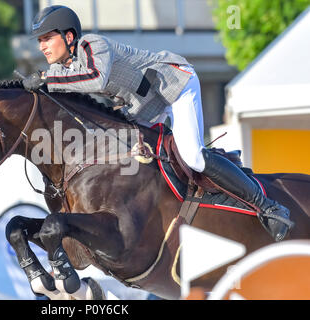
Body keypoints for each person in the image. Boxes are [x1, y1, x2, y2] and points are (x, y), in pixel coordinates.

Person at [22, 5, 294, 241]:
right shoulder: (60, 69)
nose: (42, 46)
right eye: (40, 41)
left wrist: (45, 79)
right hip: (145, 105)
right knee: (122, 154)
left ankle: (267, 206)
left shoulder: (92, 44)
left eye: (47, 38)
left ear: (69, 36)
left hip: (174, 85)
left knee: (194, 157)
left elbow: (97, 79)